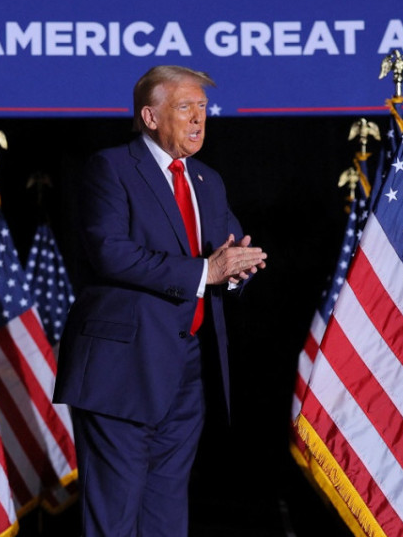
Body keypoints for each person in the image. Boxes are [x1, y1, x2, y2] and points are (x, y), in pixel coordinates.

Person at [53, 65, 267, 536]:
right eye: (185, 107)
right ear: (150, 116)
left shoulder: (208, 180)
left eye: (203, 109)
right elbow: (111, 253)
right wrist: (206, 272)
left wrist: (236, 271)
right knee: (115, 515)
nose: (198, 120)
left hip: (188, 369)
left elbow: (222, 259)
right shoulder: (111, 168)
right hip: (122, 369)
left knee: (166, 515)